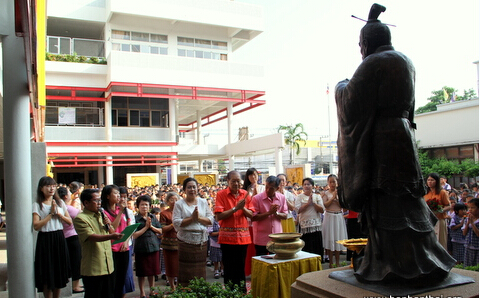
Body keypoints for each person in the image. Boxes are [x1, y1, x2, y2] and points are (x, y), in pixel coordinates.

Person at [334, 3, 455, 283]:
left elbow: (351, 103)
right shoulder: (405, 61)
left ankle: (391, 263)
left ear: (367, 42)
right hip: (403, 134)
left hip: (382, 140)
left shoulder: (373, 63)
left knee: (386, 199)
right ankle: (421, 257)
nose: (360, 49)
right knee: (406, 202)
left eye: (360, 43)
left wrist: (341, 86)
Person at [73, 188, 123, 298]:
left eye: (100, 200)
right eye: (96, 201)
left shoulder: (101, 214)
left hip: (108, 265)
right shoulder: (81, 219)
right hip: (93, 267)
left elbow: (111, 230)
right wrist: (111, 236)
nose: (99, 203)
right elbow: (91, 237)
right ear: (86, 203)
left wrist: (109, 226)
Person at [215, 170, 254, 291]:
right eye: (233, 181)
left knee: (240, 267)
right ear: (227, 181)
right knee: (228, 268)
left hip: (243, 239)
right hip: (227, 239)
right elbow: (219, 216)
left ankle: (241, 292)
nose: (236, 184)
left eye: (238, 181)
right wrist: (235, 208)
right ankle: (230, 292)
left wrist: (243, 209)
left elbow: (251, 214)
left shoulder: (245, 194)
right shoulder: (221, 194)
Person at [33, 177, 72, 298]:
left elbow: (69, 221)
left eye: (53, 186)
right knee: (47, 272)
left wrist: (59, 214)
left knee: (58, 271)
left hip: (59, 237)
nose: (51, 188)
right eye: (48, 186)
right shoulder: (37, 205)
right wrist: (51, 214)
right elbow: (36, 225)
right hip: (45, 239)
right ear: (41, 188)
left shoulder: (60, 203)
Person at [173, 177, 214, 286]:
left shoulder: (203, 202)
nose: (192, 190)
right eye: (189, 187)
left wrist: (198, 218)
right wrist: (191, 219)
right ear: (184, 190)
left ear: (197, 189)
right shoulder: (179, 204)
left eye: (194, 187)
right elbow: (176, 222)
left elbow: (211, 220)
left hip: (201, 242)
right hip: (185, 242)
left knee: (199, 271)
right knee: (185, 271)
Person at [133, 195, 163, 298]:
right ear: (138, 206)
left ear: (149, 206)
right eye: (142, 205)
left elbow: (160, 230)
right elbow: (135, 235)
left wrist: (151, 227)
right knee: (141, 272)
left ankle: (152, 290)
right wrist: (146, 227)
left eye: (146, 205)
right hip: (141, 247)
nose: (144, 207)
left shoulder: (153, 217)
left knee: (152, 271)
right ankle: (142, 292)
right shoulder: (135, 219)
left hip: (153, 246)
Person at [251, 176, 288, 256]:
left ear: (277, 188)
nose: (267, 190)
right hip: (261, 238)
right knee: (261, 260)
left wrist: (276, 213)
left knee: (276, 260)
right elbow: (253, 217)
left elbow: (285, 215)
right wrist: (269, 213)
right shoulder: (256, 198)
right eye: (266, 187)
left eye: (271, 188)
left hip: (276, 237)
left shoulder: (281, 198)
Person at [57, 186, 83, 294]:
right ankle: (75, 286)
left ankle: (75, 284)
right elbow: (81, 213)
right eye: (69, 193)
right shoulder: (68, 208)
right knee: (76, 262)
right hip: (72, 237)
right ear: (65, 196)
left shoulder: (59, 207)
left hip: (64, 237)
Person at [321, 174, 348, 268]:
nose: (332, 183)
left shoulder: (341, 193)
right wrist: (332, 198)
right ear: (328, 183)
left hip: (338, 216)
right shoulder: (325, 193)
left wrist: (337, 199)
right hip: (329, 216)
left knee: (338, 238)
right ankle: (330, 262)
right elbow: (325, 205)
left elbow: (344, 208)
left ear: (337, 182)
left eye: (334, 181)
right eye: (330, 182)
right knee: (330, 238)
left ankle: (337, 262)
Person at [295, 177, 324, 256]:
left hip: (316, 225)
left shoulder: (317, 196)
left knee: (316, 246)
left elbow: (322, 210)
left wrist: (314, 203)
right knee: (307, 247)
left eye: (308, 184)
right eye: (305, 184)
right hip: (305, 226)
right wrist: (308, 204)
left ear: (313, 186)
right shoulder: (299, 197)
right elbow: (297, 210)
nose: (307, 186)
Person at [425, 173, 451, 249]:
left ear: (436, 181)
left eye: (432, 180)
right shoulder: (425, 192)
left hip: (439, 219)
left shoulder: (442, 192)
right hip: (428, 219)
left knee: (440, 241)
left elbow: (448, 206)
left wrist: (440, 210)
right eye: (428, 180)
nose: (430, 182)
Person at [160, 192, 179, 291]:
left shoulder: (181, 212)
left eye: (176, 199)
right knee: (170, 265)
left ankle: (180, 286)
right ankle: (172, 287)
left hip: (180, 242)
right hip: (168, 244)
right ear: (167, 201)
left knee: (180, 265)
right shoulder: (164, 213)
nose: (174, 202)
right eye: (171, 200)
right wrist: (173, 224)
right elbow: (163, 229)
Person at [119, 186, 135, 297]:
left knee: (125, 273)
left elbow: (131, 229)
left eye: (125, 197)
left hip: (127, 246)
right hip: (114, 246)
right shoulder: (110, 211)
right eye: (120, 197)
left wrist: (125, 241)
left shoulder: (129, 212)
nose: (123, 199)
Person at [462, 198, 479, 267]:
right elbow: (464, 233)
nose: (470, 210)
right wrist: (468, 223)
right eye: (469, 208)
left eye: (473, 208)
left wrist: (472, 224)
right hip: (468, 246)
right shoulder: (467, 219)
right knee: (468, 265)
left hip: (477, 247)